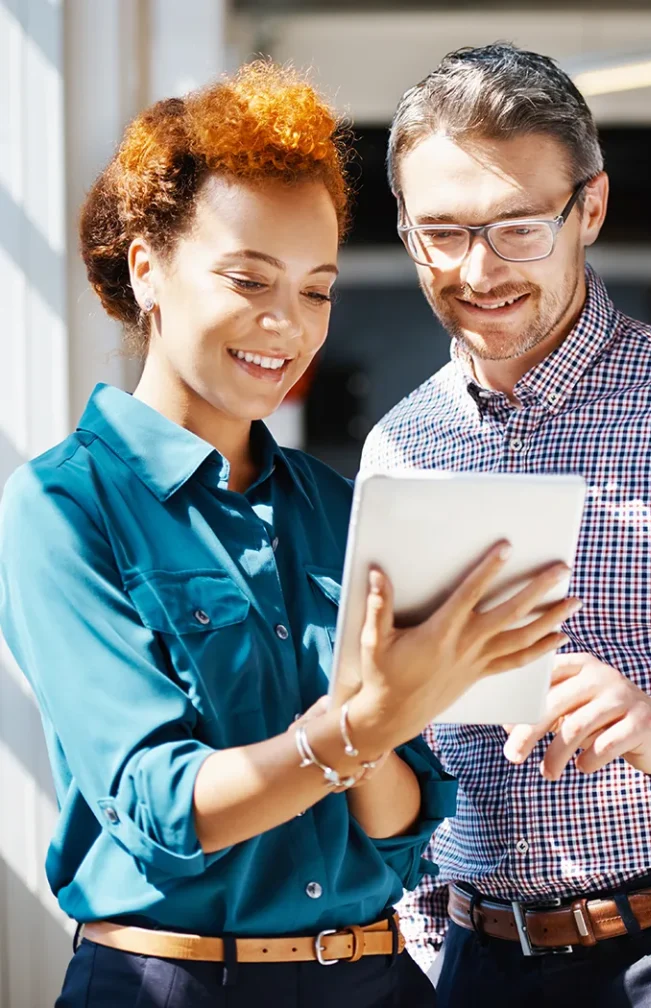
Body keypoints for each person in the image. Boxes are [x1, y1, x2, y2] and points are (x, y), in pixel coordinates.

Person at [0, 61, 575, 1008]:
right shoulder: (65, 508)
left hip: (379, 982)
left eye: (316, 289)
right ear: (148, 266)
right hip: (173, 984)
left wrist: (398, 713)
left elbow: (395, 826)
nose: (287, 324)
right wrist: (365, 722)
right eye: (248, 278)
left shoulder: (339, 505)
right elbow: (164, 809)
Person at [362, 42, 651, 1007]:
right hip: (477, 964)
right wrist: (430, 937)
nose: (478, 269)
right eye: (442, 233)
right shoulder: (398, 449)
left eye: (517, 229)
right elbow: (411, 739)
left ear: (590, 207)